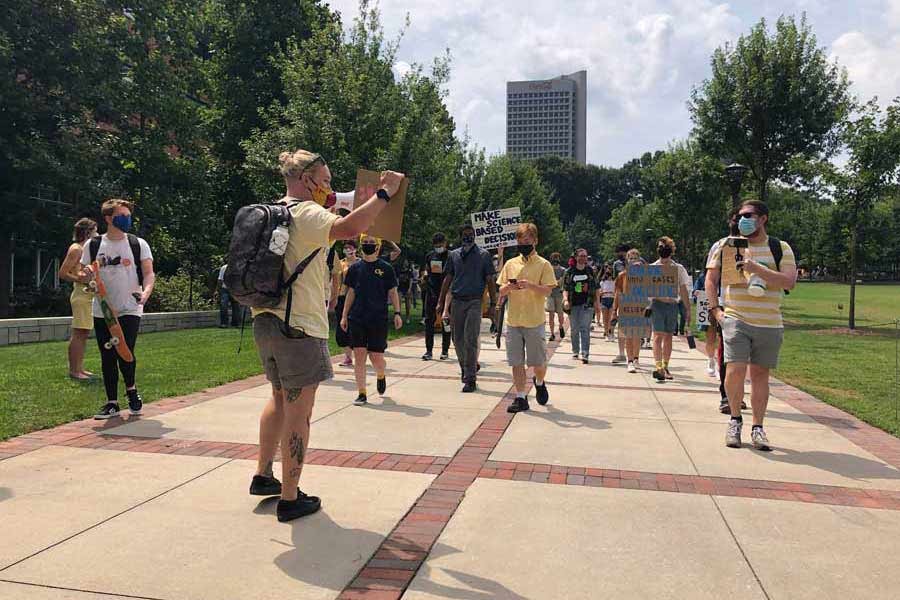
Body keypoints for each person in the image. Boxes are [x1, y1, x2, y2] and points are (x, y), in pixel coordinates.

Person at [249, 148, 403, 522]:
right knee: (300, 411)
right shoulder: (308, 213)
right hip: (300, 326)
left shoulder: (272, 212)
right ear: (307, 180)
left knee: (278, 398)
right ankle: (290, 497)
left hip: (265, 321)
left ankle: (263, 475)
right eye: (327, 181)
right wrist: (385, 193)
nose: (330, 188)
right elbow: (351, 229)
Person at [706, 199, 797, 451]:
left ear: (763, 218)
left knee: (760, 375)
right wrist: (716, 311)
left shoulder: (780, 248)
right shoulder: (728, 245)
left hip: (769, 321)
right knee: (734, 370)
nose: (742, 220)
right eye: (740, 216)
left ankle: (758, 427)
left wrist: (756, 268)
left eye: (748, 215)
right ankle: (735, 420)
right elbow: (710, 280)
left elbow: (788, 282)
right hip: (736, 317)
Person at [81, 200, 155, 419]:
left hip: (130, 307)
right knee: (107, 354)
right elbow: (86, 271)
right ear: (108, 218)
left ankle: (131, 390)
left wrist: (145, 293)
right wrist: (86, 274)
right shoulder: (93, 245)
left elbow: (149, 273)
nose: (126, 218)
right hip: (103, 309)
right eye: (121, 214)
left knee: (125, 349)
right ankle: (112, 402)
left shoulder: (137, 243)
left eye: (128, 214)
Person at [497, 223, 556, 413]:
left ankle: (539, 381)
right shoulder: (510, 263)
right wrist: (509, 288)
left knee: (538, 363)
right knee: (516, 362)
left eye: (528, 240)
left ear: (535, 241)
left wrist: (531, 286)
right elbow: (501, 289)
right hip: (513, 321)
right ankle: (521, 397)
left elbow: (548, 290)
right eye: (521, 241)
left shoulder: (544, 264)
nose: (524, 244)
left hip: (534, 321)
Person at [340, 234, 404, 406]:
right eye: (365, 242)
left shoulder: (386, 268)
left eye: (371, 243)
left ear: (378, 246)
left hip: (378, 318)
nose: (368, 245)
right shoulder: (355, 268)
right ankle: (362, 393)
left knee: (376, 357)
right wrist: (344, 315)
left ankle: (381, 374)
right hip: (357, 317)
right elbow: (351, 293)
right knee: (359, 356)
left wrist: (397, 313)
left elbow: (392, 292)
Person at [439, 224, 497, 393]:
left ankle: (470, 378)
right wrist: (441, 302)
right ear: (460, 236)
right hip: (457, 301)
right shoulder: (453, 255)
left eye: (471, 234)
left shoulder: (484, 255)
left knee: (470, 338)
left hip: (474, 301)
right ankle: (466, 367)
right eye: (464, 235)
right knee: (457, 339)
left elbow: (490, 281)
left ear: (475, 236)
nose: (468, 237)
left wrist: (493, 304)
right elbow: (447, 279)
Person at [58, 218, 98, 381]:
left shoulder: (89, 249)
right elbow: (62, 273)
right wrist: (79, 279)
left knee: (84, 332)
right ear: (88, 231)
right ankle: (74, 370)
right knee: (79, 333)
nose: (97, 234)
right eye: (95, 230)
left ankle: (80, 368)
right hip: (81, 296)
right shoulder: (76, 249)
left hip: (90, 295)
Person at [649, 237, 692, 382]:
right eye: (660, 246)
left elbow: (683, 289)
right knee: (657, 335)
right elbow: (647, 290)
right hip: (657, 304)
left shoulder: (678, 269)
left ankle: (666, 366)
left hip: (672, 305)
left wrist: (688, 309)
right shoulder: (653, 268)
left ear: (671, 249)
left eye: (665, 246)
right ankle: (658, 367)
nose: (662, 248)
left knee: (668, 336)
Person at [611, 248, 647, 373]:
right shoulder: (622, 275)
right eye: (630, 258)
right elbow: (617, 293)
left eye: (635, 258)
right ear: (627, 260)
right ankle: (630, 360)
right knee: (628, 336)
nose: (632, 260)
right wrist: (614, 310)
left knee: (637, 335)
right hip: (626, 307)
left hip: (640, 307)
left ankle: (636, 358)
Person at [562, 248, 598, 364]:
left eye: (585, 256)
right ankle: (575, 350)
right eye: (581, 256)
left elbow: (596, 287)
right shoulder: (569, 272)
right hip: (573, 304)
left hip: (587, 304)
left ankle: (585, 353)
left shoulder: (590, 271)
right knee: (574, 329)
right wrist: (566, 300)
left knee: (584, 328)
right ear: (576, 257)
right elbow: (565, 288)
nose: (583, 258)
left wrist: (597, 303)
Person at [421, 232, 452, 361]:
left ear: (445, 243)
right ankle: (429, 350)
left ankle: (445, 350)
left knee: (446, 321)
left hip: (447, 293)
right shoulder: (430, 255)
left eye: (441, 245)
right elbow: (426, 269)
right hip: (431, 292)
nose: (438, 247)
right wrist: (424, 276)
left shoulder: (451, 256)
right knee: (429, 321)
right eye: (436, 245)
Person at [332, 239, 359, 367]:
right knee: (342, 326)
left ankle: (360, 351)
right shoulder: (340, 264)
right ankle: (348, 356)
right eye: (346, 248)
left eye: (350, 247)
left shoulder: (360, 263)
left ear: (355, 249)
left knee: (355, 325)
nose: (348, 250)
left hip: (357, 298)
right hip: (341, 297)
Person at [693, 268, 718, 376]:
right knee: (710, 337)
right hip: (708, 309)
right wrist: (697, 293)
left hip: (726, 307)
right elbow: (694, 291)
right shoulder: (702, 277)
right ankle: (711, 360)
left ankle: (722, 364)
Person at [546, 252, 567, 341]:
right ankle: (552, 333)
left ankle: (561, 326)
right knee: (551, 315)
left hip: (559, 293)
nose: (555, 259)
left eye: (557, 258)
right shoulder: (548, 269)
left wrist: (554, 283)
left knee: (560, 314)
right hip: (550, 294)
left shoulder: (563, 270)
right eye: (554, 258)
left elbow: (561, 282)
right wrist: (555, 282)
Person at [217, 263, 242, 328]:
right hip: (225, 289)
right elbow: (220, 280)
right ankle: (224, 323)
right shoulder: (224, 268)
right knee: (224, 306)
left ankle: (235, 323)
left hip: (235, 289)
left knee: (236, 307)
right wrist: (219, 290)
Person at [597, 265, 616, 341]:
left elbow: (616, 292)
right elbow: (599, 292)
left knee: (610, 318)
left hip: (612, 300)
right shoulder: (602, 282)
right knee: (605, 318)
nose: (609, 276)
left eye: (610, 274)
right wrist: (603, 292)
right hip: (604, 300)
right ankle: (606, 333)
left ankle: (610, 332)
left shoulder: (614, 282)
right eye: (608, 274)